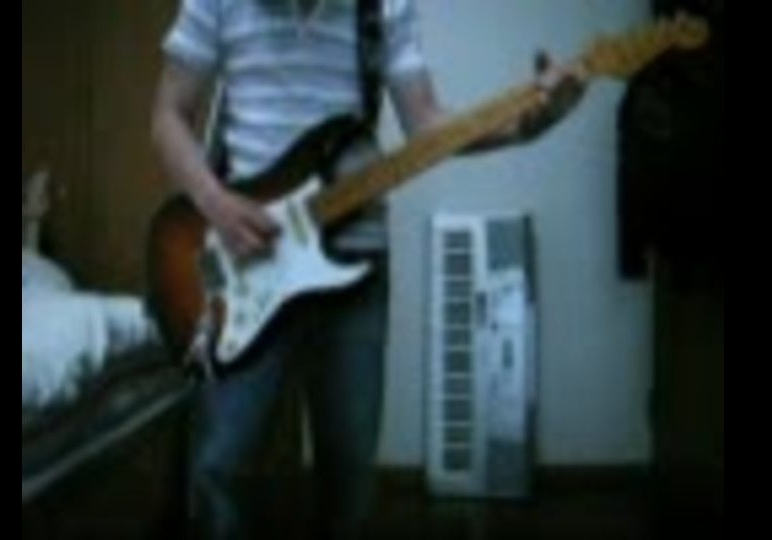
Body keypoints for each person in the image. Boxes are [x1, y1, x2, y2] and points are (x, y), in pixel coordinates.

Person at [150, 1, 585, 538]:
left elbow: (426, 123)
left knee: (350, 476)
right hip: (245, 259)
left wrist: (524, 125)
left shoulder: (383, 6)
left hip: (354, 261)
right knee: (220, 465)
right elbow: (168, 114)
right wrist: (213, 200)